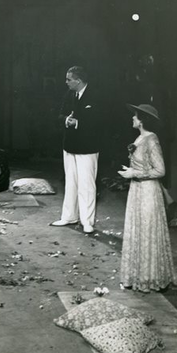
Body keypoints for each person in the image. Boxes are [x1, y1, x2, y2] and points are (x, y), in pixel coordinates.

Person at [118, 103, 176, 292]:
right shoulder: (140, 137)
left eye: (135, 116)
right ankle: (137, 276)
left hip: (149, 191)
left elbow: (160, 170)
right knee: (138, 230)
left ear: (143, 120)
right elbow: (143, 164)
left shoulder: (152, 140)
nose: (132, 118)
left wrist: (135, 173)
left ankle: (150, 278)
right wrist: (131, 171)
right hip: (137, 191)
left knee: (147, 231)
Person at [51, 66, 101, 233]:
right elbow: (59, 115)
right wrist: (67, 119)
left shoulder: (95, 95)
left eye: (69, 79)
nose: (66, 82)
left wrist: (78, 123)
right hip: (70, 146)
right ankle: (69, 216)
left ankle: (87, 221)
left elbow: (100, 121)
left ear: (78, 80)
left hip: (87, 147)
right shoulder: (69, 94)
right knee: (70, 182)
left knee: (86, 184)